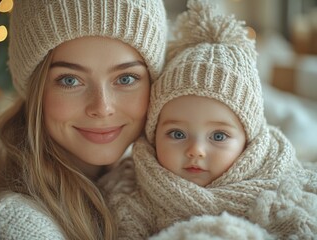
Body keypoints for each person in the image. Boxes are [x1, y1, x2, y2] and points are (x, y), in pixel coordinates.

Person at [104, 0, 317, 239]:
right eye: (177, 134)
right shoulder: (129, 196)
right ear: (153, 135)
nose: (196, 150)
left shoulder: (282, 187)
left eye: (218, 136)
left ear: (248, 142)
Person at [0, 0, 167, 239]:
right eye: (70, 80)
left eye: (127, 79)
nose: (102, 107)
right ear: (36, 91)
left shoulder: (159, 191)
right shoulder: (13, 226)